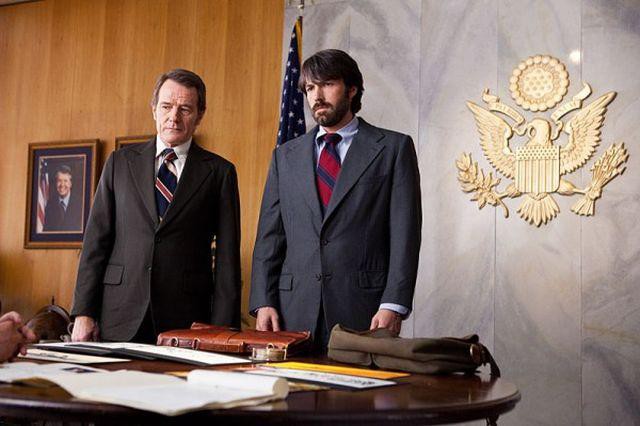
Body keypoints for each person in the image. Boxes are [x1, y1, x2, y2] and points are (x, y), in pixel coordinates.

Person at [249, 49, 422, 349]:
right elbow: (270, 237)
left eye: (327, 84)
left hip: (365, 309)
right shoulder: (284, 157)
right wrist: (263, 300)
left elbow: (405, 234)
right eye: (310, 88)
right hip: (292, 310)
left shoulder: (393, 149)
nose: (317, 96)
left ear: (352, 89)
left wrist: (393, 304)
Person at [71, 69, 241, 343]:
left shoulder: (220, 173)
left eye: (185, 109)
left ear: (200, 115)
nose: (174, 117)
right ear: (153, 109)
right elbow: (95, 242)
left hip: (186, 318)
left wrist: (222, 330)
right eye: (166, 106)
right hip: (119, 313)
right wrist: (83, 313)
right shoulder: (119, 163)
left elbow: (227, 260)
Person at [43, 165, 82, 232]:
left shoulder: (80, 204)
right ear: (56, 183)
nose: (62, 185)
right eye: (59, 181)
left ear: (70, 184)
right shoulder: (49, 205)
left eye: (65, 181)